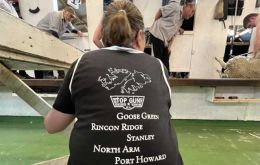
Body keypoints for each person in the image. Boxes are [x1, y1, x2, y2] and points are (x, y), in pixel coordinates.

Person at [44, 1, 183, 164]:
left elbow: (52, 126)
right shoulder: (158, 66)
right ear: (139, 36)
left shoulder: (83, 63)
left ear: (102, 33)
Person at [36, 6, 84, 79]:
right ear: (65, 12)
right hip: (40, 36)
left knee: (52, 55)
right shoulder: (55, 15)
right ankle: (40, 79)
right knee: (41, 57)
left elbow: (72, 29)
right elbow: (54, 32)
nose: (70, 18)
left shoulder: (66, 20)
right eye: (70, 16)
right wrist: (61, 46)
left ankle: (54, 74)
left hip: (49, 38)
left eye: (72, 17)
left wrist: (78, 32)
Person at [149, 0, 195, 71]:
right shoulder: (175, 7)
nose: (191, 16)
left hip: (163, 40)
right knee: (159, 62)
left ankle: (166, 79)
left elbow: (172, 34)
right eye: (191, 12)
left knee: (166, 63)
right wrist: (155, 24)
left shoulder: (181, 21)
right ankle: (158, 79)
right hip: (157, 34)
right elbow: (161, 11)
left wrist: (168, 47)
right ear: (187, 7)